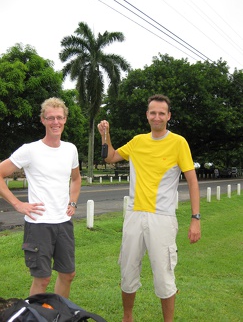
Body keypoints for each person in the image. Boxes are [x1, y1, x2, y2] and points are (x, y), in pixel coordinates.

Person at [97, 94, 201, 322]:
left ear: (168, 116)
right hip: (134, 216)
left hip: (162, 218)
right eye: (152, 112)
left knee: (164, 276)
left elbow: (192, 180)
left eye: (161, 113)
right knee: (127, 272)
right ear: (147, 115)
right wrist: (105, 134)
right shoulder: (137, 141)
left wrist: (195, 218)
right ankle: (127, 318)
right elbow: (111, 157)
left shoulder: (179, 142)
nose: (157, 117)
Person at [0, 97, 81, 298]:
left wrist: (72, 202)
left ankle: (57, 313)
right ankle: (35, 316)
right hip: (39, 225)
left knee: (68, 273)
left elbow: (76, 179)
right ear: (43, 120)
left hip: (63, 223)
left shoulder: (70, 149)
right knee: (42, 278)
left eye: (59, 118)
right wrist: (17, 204)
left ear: (65, 119)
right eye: (50, 118)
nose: (56, 122)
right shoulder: (30, 150)